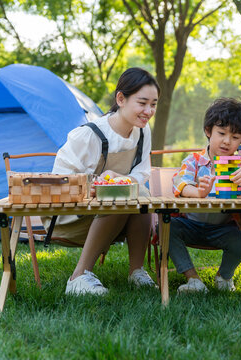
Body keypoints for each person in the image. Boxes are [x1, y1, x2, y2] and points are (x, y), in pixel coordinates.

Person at [44, 67, 160, 295]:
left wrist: (122, 181)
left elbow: (141, 173)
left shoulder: (143, 133)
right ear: (121, 99)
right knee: (119, 196)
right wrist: (98, 185)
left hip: (114, 214)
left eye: (153, 104)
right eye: (142, 102)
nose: (148, 111)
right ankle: (78, 277)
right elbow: (60, 182)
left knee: (140, 194)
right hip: (69, 217)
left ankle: (136, 271)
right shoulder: (88, 135)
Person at [169, 98, 241, 293]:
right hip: (190, 224)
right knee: (167, 230)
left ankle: (224, 276)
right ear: (208, 131)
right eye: (221, 133)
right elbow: (179, 182)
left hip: (223, 228)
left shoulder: (239, 165)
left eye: (236, 136)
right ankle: (193, 280)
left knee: (239, 242)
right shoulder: (194, 161)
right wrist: (198, 192)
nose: (227, 141)